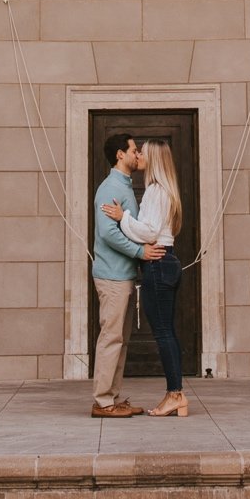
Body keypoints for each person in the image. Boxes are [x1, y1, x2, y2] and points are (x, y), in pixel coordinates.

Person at [103, 136, 186, 417]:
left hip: (158, 265)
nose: (138, 156)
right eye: (135, 152)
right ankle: (175, 394)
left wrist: (122, 217)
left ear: (154, 159)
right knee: (167, 332)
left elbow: (149, 232)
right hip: (168, 261)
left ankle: (175, 394)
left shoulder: (154, 190)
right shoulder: (164, 190)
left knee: (163, 333)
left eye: (143, 153)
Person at [90, 131, 160, 417]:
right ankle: (103, 401)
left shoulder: (124, 185)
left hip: (122, 276)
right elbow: (107, 233)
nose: (137, 154)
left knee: (121, 339)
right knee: (111, 337)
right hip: (112, 276)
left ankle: (113, 397)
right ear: (120, 154)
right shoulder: (110, 188)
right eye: (133, 150)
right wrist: (140, 253)